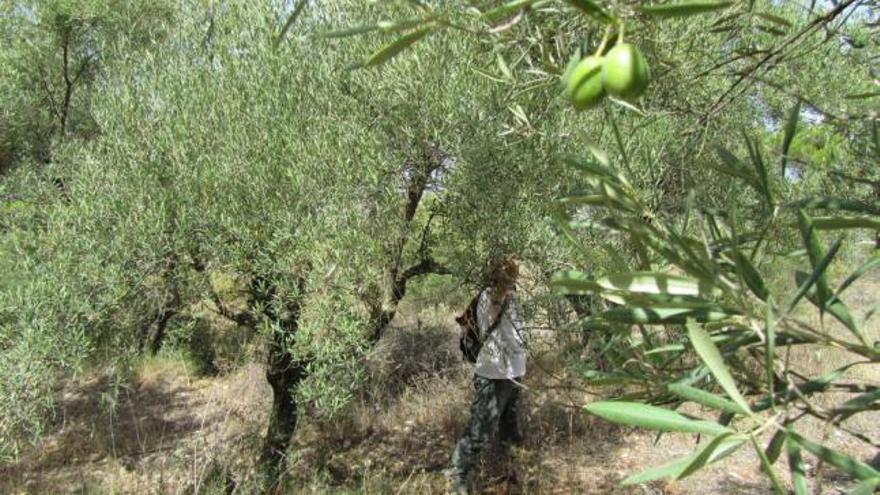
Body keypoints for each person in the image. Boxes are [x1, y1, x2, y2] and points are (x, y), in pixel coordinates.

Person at [446, 257, 528, 494]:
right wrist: (525, 348)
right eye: (511, 272)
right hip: (495, 372)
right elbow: (512, 336)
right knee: (481, 426)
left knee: (510, 426)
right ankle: (457, 474)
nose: (512, 276)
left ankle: (510, 471)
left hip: (512, 371)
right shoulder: (493, 297)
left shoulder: (505, 296)